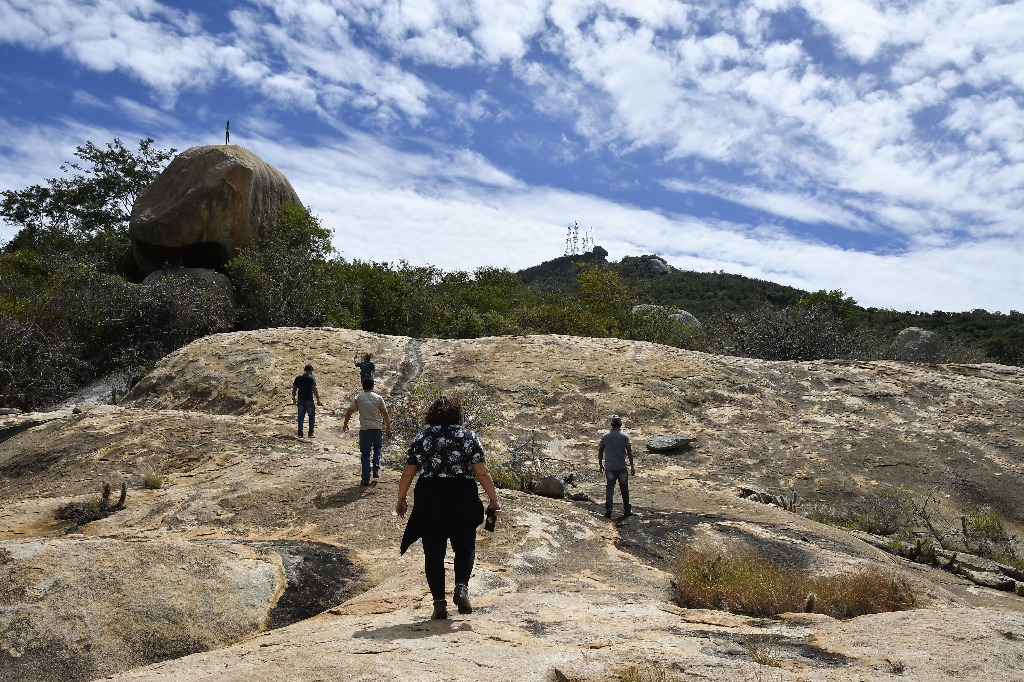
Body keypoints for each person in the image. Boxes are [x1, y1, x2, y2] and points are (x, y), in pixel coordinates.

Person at [396, 395, 501, 620]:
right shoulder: (467, 436)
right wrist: (494, 499)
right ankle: (461, 587)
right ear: (456, 414)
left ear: (432, 414)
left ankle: (439, 605)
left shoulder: (422, 437)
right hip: (461, 494)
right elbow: (481, 472)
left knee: (433, 552)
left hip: (429, 496)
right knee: (465, 546)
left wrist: (401, 498)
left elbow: (408, 472)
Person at [343, 377, 393, 485]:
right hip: (377, 429)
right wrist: (388, 428)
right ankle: (376, 467)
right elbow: (385, 413)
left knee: (365, 454)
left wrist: (345, 424)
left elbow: (349, 412)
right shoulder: (378, 398)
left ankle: (365, 478)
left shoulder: (358, 398)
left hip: (365, 429)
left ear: (363, 386)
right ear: (373, 386)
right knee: (378, 449)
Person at [598, 414, 634, 518]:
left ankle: (609, 508)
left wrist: (600, 465)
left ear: (611, 424)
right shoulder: (625, 436)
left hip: (609, 467)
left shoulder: (605, 436)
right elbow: (629, 451)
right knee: (624, 489)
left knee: (610, 488)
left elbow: (600, 450)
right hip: (621, 466)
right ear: (621, 424)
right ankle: (627, 510)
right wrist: (632, 466)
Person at [292, 364, 323, 438]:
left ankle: (300, 433)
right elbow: (314, 389)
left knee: (300, 417)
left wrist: (294, 398)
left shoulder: (298, 378)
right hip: (309, 399)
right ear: (311, 371)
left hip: (300, 400)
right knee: (311, 416)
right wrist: (318, 399)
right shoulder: (311, 378)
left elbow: (294, 389)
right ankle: (311, 433)